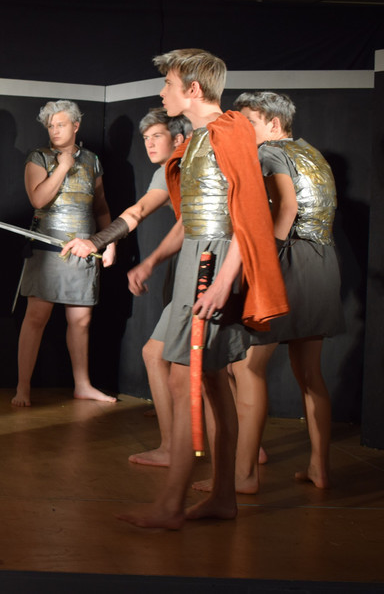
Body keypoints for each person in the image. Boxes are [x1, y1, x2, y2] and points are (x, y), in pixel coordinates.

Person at [117, 49, 287, 529]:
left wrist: (223, 283)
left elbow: (248, 215)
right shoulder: (198, 139)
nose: (162, 92)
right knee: (208, 380)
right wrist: (152, 260)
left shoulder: (229, 130)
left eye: (168, 84)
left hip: (215, 263)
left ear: (193, 89)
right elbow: (192, 218)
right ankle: (222, 497)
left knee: (186, 378)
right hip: (199, 257)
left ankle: (171, 505)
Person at [194, 91, 342, 493]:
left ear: (274, 124)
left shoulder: (269, 152)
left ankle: (243, 476)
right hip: (324, 265)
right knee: (310, 374)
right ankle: (319, 469)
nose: (244, 131)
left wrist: (262, 259)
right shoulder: (313, 154)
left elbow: (286, 209)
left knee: (246, 368)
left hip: (289, 262)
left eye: (251, 123)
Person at [62, 108, 191, 465]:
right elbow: (137, 211)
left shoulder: (196, 164)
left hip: (211, 263)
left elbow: (191, 225)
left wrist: (148, 263)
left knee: (171, 357)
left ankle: (178, 449)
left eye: (157, 136)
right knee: (202, 364)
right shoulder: (165, 172)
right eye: (145, 138)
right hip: (187, 264)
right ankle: (242, 450)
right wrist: (98, 241)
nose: (149, 144)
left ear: (179, 139)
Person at [12, 100, 117, 406]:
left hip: (84, 246)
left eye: (61, 124)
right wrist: (63, 166)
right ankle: (23, 387)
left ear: (76, 126)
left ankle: (82, 385)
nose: (55, 130)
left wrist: (110, 242)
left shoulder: (93, 160)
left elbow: (101, 207)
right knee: (36, 317)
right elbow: (38, 200)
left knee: (81, 320)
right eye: (50, 126)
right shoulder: (38, 157)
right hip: (47, 247)